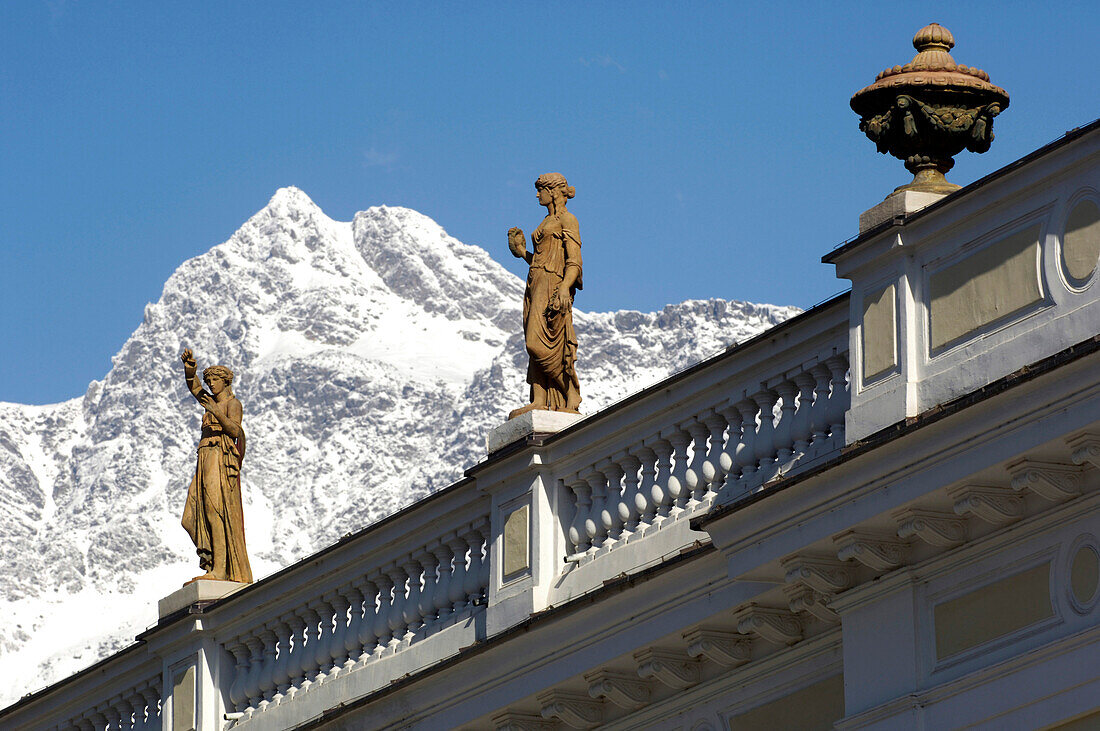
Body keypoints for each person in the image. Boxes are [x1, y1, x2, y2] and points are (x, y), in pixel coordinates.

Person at [508, 172, 583, 417]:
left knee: (538, 342)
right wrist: (522, 252)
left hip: (552, 285)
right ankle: (539, 399)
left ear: (552, 191)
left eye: (540, 189)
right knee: (533, 346)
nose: (537, 194)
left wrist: (563, 288)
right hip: (535, 283)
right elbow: (539, 260)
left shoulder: (568, 220)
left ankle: (569, 388)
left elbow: (574, 262)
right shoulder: (547, 219)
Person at [179, 348, 253, 584]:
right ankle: (213, 562)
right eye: (208, 380)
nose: (210, 384)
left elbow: (235, 431)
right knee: (190, 515)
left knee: (214, 508)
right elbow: (195, 389)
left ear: (225, 381)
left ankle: (219, 570)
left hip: (220, 456)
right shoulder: (209, 400)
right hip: (204, 455)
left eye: (215, 380)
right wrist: (190, 370)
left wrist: (216, 413)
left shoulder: (233, 404)